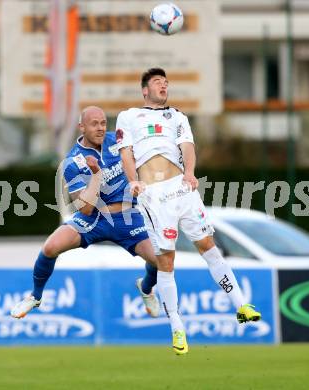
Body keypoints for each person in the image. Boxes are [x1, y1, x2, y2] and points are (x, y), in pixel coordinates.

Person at [116, 68, 261, 355]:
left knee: (209, 247)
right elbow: (126, 152)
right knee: (166, 261)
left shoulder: (178, 116)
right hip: (153, 194)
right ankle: (177, 327)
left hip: (182, 189)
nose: (163, 85)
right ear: (145, 90)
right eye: (157, 82)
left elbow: (187, 146)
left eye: (166, 82)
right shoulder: (129, 116)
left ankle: (241, 306)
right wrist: (133, 180)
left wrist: (191, 172)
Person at [11, 106, 160, 320]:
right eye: (94, 124)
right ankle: (35, 296)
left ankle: (146, 288)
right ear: (82, 127)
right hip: (94, 218)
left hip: (127, 216)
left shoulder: (118, 141)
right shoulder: (73, 161)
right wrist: (97, 174)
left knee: (160, 259)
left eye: (103, 123)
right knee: (51, 247)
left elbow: (147, 147)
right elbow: (86, 208)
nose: (100, 128)